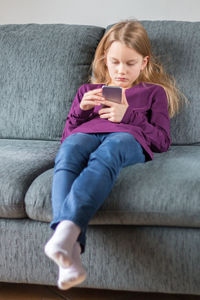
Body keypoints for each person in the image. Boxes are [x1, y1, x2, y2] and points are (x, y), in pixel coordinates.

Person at [44, 20, 184, 290]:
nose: (121, 71)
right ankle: (68, 251)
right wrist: (81, 110)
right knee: (70, 151)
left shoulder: (153, 92)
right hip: (87, 133)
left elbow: (163, 141)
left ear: (144, 62)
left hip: (128, 138)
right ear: (105, 59)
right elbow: (67, 138)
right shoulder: (88, 91)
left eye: (130, 63)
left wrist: (127, 116)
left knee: (110, 151)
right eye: (115, 62)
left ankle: (66, 233)